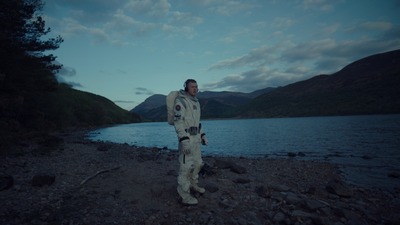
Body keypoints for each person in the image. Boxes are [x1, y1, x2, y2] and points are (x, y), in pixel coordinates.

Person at [173, 79, 208, 205]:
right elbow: (178, 122)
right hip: (186, 138)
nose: (195, 89)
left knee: (198, 164)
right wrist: (184, 140)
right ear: (186, 88)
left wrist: (203, 135)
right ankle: (184, 195)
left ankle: (193, 184)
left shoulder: (196, 103)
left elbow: (197, 122)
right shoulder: (180, 101)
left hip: (196, 139)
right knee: (186, 167)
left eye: (196, 86)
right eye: (192, 87)